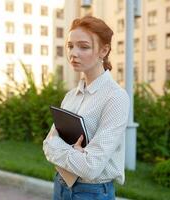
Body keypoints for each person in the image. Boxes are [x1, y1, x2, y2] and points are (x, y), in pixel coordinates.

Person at [43, 15, 130, 200]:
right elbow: (47, 144)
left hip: (92, 193)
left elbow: (91, 167)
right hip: (60, 185)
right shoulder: (70, 97)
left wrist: (59, 149)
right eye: (70, 46)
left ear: (104, 50)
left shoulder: (116, 98)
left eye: (83, 47)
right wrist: (73, 153)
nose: (74, 53)